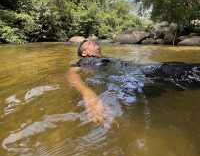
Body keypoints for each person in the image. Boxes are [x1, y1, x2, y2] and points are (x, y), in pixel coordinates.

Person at [67, 40, 200, 126]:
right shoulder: (82, 62)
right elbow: (71, 74)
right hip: (133, 78)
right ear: (84, 53)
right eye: (89, 43)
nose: (93, 42)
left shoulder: (107, 58)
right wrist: (89, 95)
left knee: (179, 70)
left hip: (141, 73)